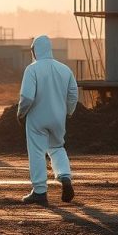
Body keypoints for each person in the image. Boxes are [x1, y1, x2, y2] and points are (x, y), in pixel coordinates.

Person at [17, 35, 79, 205]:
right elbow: (73, 94)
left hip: (37, 119)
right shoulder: (65, 69)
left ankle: (39, 191)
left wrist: (21, 113)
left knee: (37, 151)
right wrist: (69, 112)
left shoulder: (32, 69)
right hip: (58, 118)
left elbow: (27, 97)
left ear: (35, 50)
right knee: (57, 148)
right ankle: (65, 176)